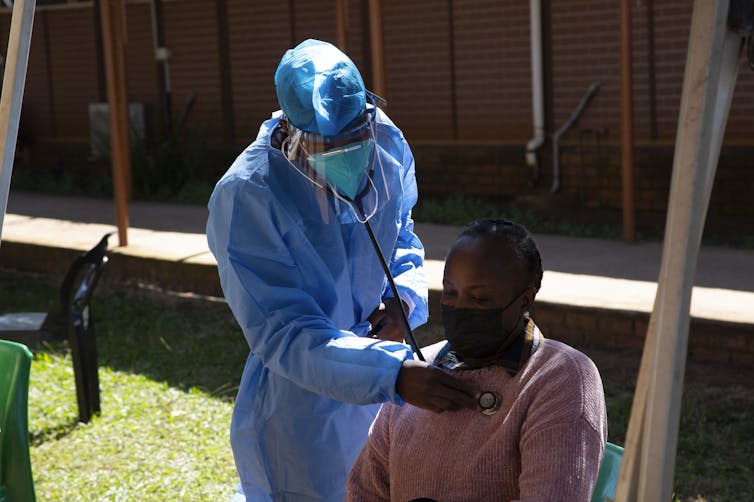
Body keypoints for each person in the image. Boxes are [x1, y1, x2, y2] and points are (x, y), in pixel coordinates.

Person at [206, 39, 477, 501]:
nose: (348, 151)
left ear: (369, 110)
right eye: (327, 145)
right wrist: (391, 374)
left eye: (355, 136)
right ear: (292, 131)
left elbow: (401, 236)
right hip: (303, 408)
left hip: (384, 367)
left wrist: (403, 299)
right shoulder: (249, 195)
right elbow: (285, 332)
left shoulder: (386, 143)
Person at [346, 218, 608, 501]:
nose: (460, 308)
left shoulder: (559, 378)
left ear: (524, 301)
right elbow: (364, 491)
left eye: (479, 299)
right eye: (450, 293)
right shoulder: (417, 375)